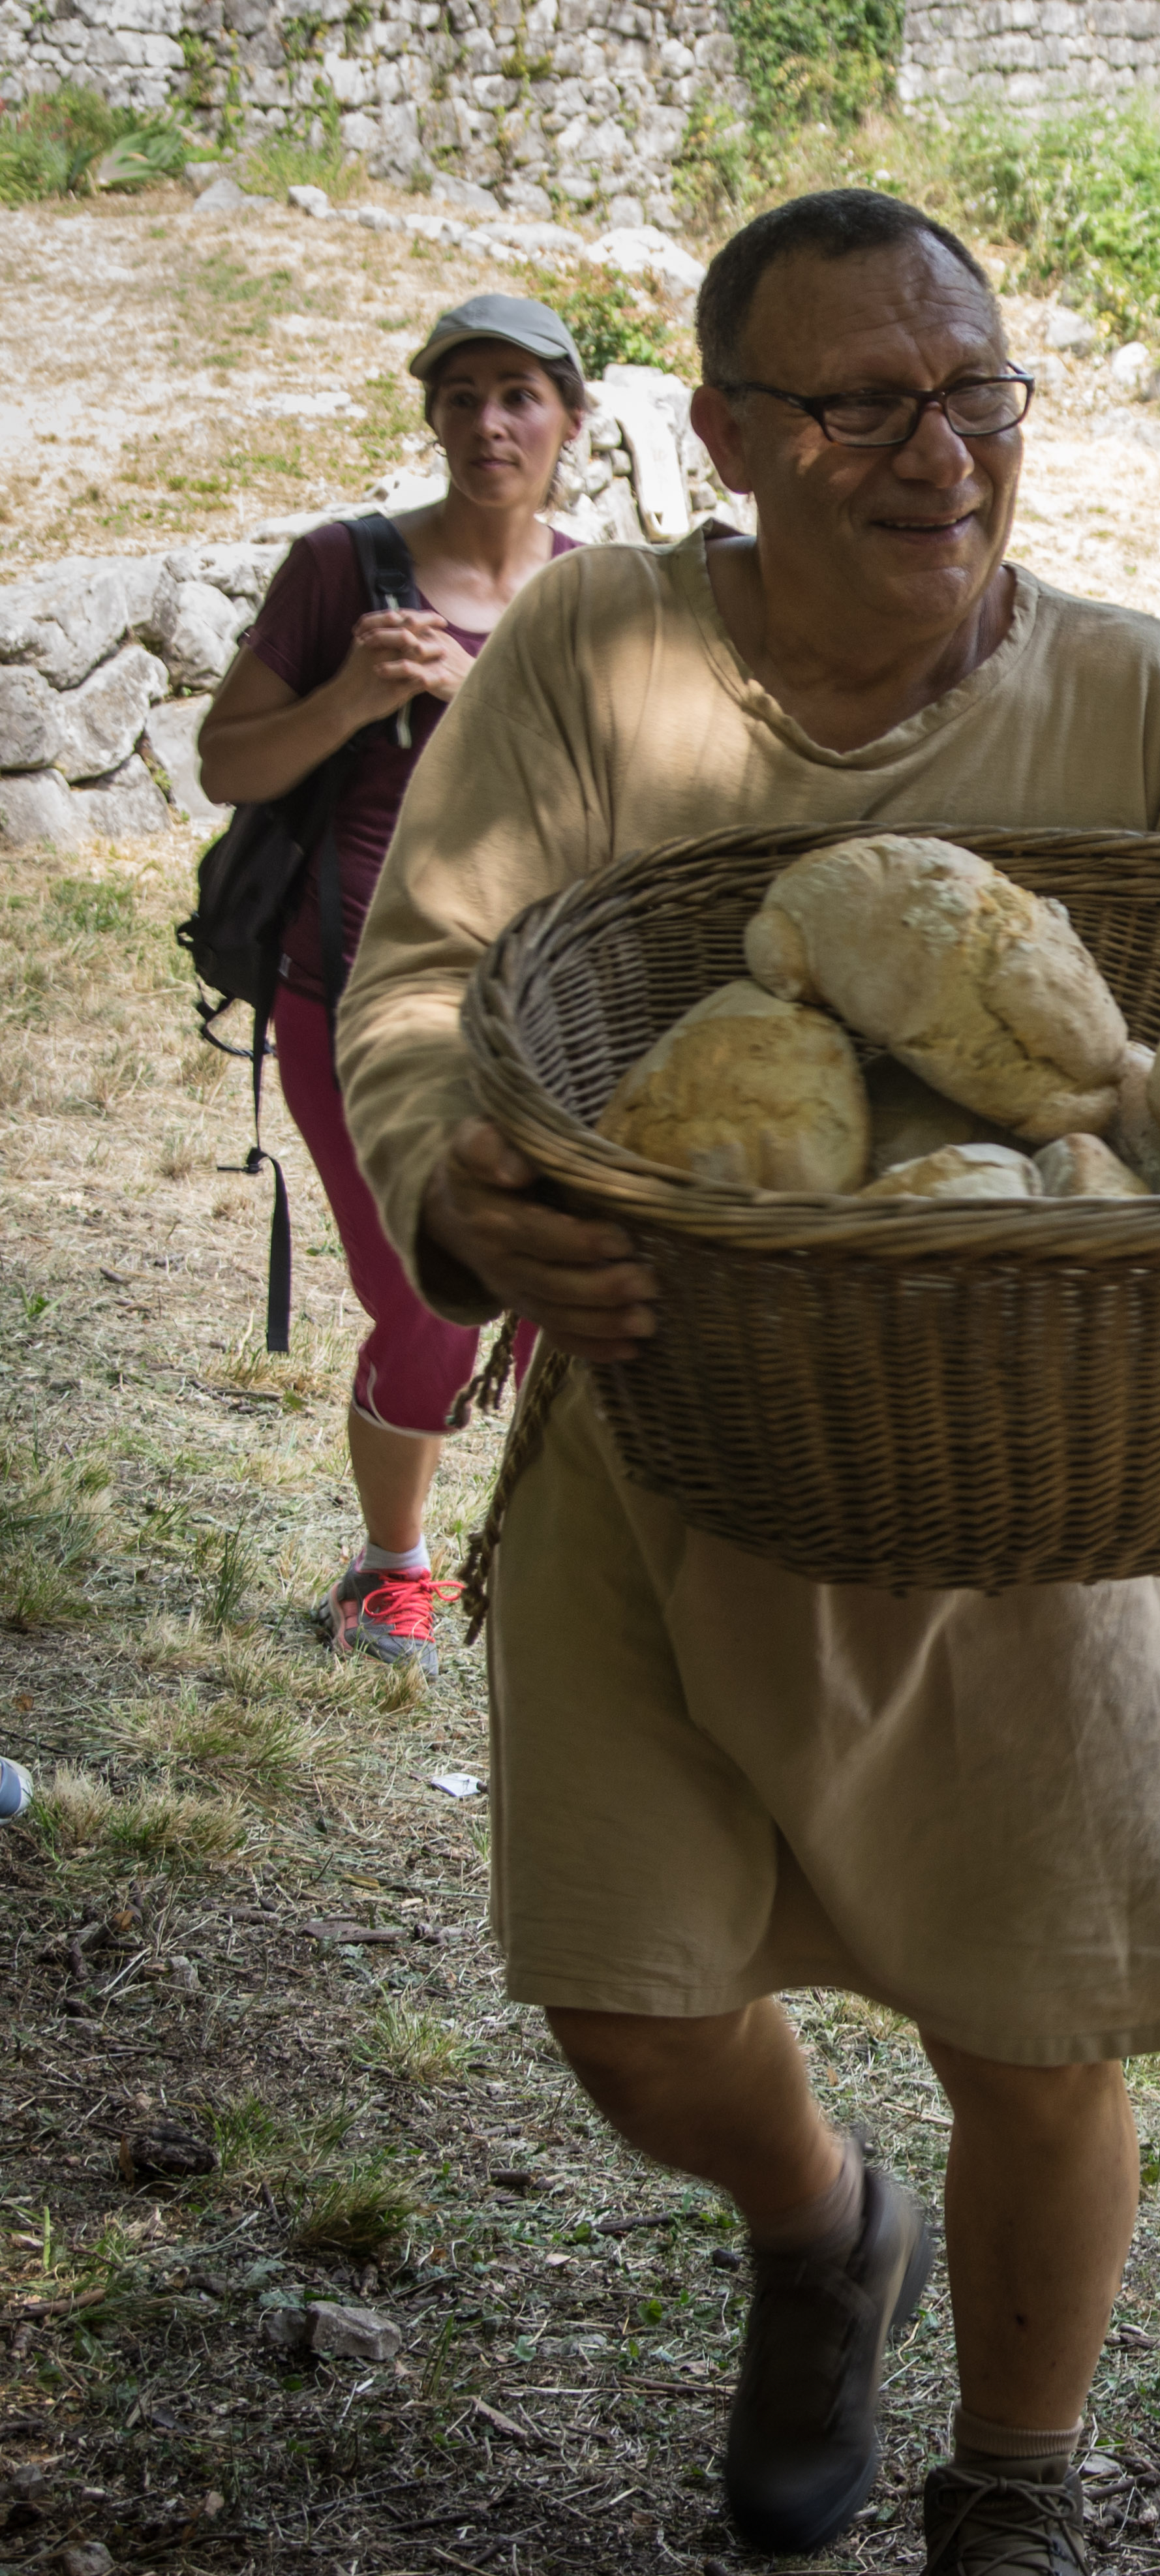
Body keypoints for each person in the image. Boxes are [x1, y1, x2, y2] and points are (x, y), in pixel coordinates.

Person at [334, 189, 1160, 2576]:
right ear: (728, 434)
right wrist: (456, 1189)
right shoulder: (602, 652)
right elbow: (420, 981)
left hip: (1044, 1470)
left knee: (1038, 2029)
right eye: (860, 405)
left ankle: (1015, 2491)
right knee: (626, 2012)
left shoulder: (1140, 703)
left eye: (973, 394)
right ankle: (824, 2221)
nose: (936, 454)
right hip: (668, 1428)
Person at [196, 294, 584, 1676]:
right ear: (430, 415)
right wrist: (351, 703)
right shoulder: (342, 568)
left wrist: (474, 697)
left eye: (520, 393)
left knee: (568, 1300)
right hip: (351, 998)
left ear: (571, 420)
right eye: (462, 394)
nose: (490, 422)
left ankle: (555, 1568)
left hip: (549, 1014)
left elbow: (617, 803)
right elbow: (228, 762)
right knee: (431, 1290)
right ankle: (391, 1570)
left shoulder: (595, 597)